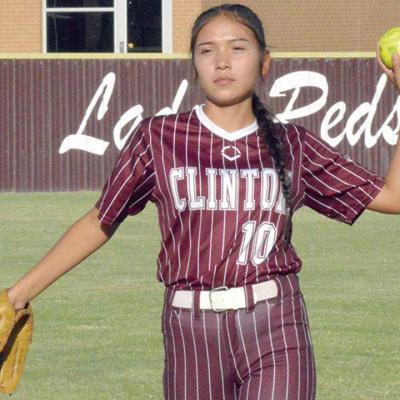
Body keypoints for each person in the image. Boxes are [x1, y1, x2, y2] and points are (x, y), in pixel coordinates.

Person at [4, 3, 400, 400]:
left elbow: (392, 196)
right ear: (194, 64)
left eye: (238, 48)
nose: (222, 61)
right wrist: (16, 295)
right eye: (207, 50)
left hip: (276, 324)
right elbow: (100, 220)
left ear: (266, 62)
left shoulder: (292, 144)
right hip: (189, 330)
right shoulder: (157, 138)